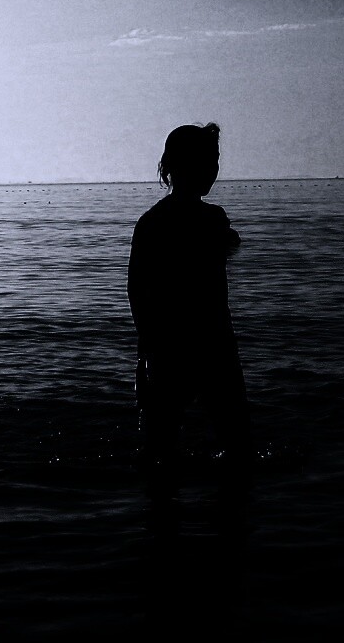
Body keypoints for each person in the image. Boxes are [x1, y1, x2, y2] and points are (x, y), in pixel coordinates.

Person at [127, 122, 251, 496]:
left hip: (191, 344)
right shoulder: (199, 220)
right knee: (230, 444)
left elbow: (136, 290)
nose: (213, 170)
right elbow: (137, 290)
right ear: (177, 167)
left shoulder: (161, 221)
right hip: (195, 344)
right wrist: (148, 347)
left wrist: (147, 345)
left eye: (215, 161)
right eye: (206, 162)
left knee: (163, 448)